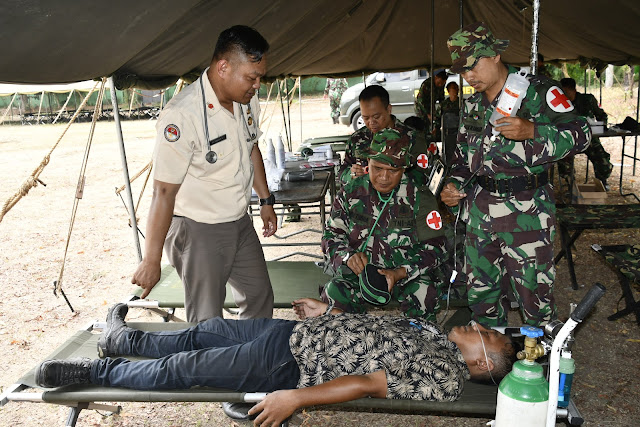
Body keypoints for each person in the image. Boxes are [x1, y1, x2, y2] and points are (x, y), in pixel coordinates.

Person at [36, 302, 517, 426]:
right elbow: (372, 336)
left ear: (485, 362)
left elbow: (370, 382)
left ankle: (87, 374)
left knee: (185, 368)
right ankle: (125, 339)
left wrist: (295, 398)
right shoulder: (434, 332)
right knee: (203, 330)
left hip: (288, 366)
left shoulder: (445, 376)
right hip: (288, 332)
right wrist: (329, 315)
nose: (481, 326)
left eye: (489, 334)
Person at [440, 22, 591, 327]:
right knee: (481, 297)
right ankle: (490, 361)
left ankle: (542, 365)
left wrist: (533, 131)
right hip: (480, 212)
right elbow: (461, 158)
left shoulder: (538, 92)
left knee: (534, 299)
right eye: (462, 69)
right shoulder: (471, 104)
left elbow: (582, 133)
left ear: (495, 55)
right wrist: (452, 184)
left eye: (473, 65)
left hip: (528, 211)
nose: (468, 76)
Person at [131, 26, 277, 325]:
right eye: (252, 77)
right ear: (223, 67)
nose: (257, 85)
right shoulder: (183, 116)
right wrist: (151, 259)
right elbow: (163, 192)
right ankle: (208, 370)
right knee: (207, 318)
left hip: (238, 220)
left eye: (260, 77)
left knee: (259, 296)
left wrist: (266, 200)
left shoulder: (246, 101)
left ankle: (248, 361)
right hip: (199, 229)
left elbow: (252, 147)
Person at [322, 129, 447, 321]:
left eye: (393, 171)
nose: (384, 177)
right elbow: (331, 237)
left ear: (404, 169)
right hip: (361, 277)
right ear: (368, 164)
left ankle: (419, 343)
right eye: (378, 168)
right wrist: (347, 257)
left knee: (424, 292)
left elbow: (436, 247)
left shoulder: (420, 197)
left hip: (405, 276)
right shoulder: (351, 192)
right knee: (334, 292)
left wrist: (401, 272)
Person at [337, 84, 433, 187]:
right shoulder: (357, 139)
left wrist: (393, 176)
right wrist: (351, 174)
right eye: (365, 118)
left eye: (376, 116)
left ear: (389, 109)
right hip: (364, 200)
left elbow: (422, 177)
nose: (371, 122)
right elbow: (342, 171)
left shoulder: (412, 139)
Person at [558, 77, 613, 189]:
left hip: (589, 138)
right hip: (569, 139)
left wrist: (602, 127)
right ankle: (570, 185)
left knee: (603, 160)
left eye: (566, 92)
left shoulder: (587, 100)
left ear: (573, 90)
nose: (564, 95)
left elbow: (601, 115)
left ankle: (602, 181)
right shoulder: (559, 103)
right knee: (564, 162)